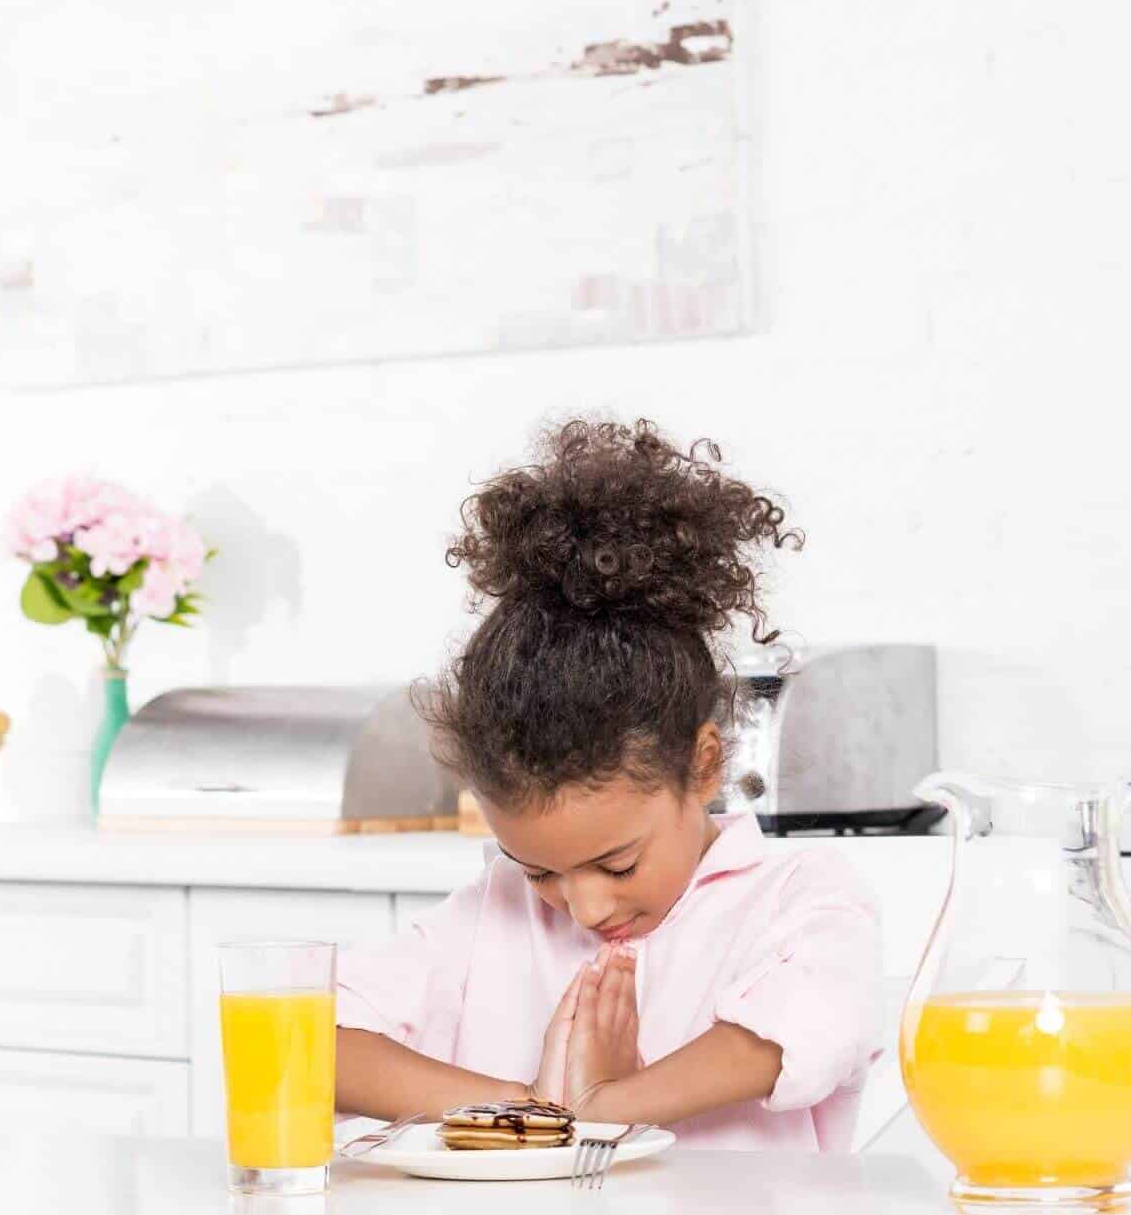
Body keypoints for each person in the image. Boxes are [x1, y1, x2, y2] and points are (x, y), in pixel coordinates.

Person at [334, 419, 882, 1149]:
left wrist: (610, 1102)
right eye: (539, 871)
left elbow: (804, 1029)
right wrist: (530, 1109)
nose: (585, 906)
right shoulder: (490, 916)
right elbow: (312, 1041)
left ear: (702, 765)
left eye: (617, 863)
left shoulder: (796, 898)